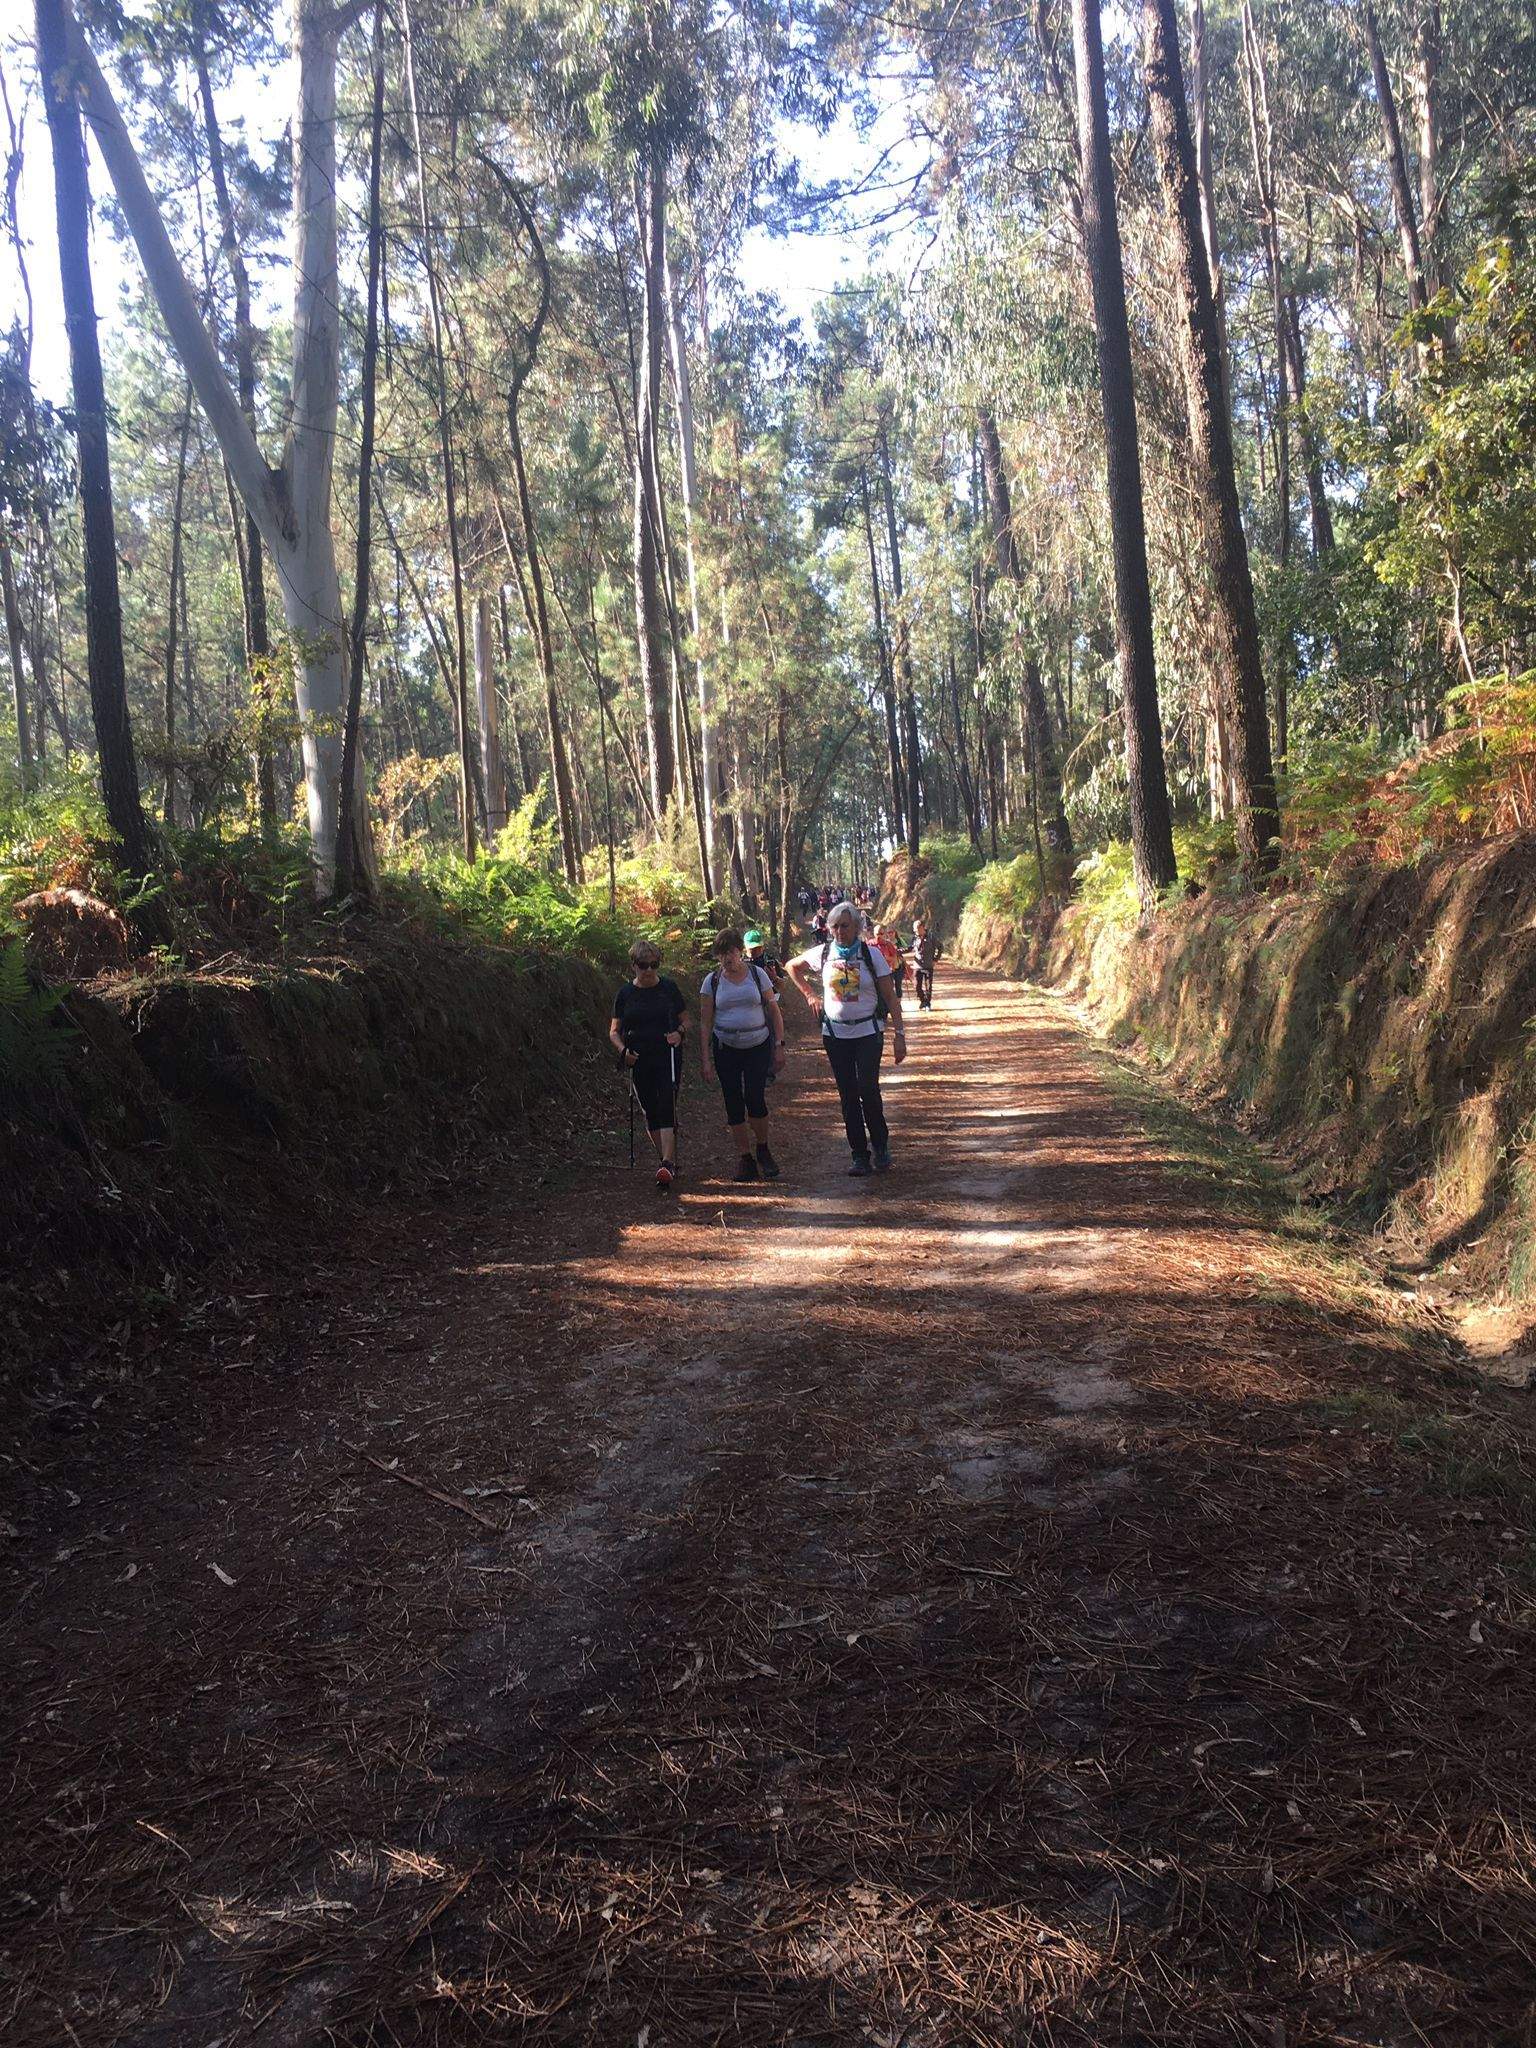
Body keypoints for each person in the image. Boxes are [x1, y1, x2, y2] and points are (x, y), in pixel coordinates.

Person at [787, 899, 906, 1177]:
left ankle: (880, 1145)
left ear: (856, 927)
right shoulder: (824, 952)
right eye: (835, 926)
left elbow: (890, 996)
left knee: (868, 1089)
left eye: (845, 925)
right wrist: (810, 994)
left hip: (868, 1032)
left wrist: (899, 1034)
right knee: (848, 1094)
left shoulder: (870, 954)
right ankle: (859, 1155)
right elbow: (792, 966)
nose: (839, 931)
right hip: (835, 1034)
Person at [699, 929, 785, 1181]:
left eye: (731, 952)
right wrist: (705, 1060)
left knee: (755, 1097)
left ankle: (763, 1149)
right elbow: (705, 1023)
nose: (727, 958)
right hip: (726, 1048)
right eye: (722, 953)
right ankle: (744, 1158)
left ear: (740, 951)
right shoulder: (712, 982)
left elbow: (774, 1010)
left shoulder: (757, 976)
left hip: (757, 1045)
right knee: (733, 1101)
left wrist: (779, 1044)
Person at [610, 940, 687, 1193]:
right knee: (649, 1110)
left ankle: (667, 1162)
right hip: (638, 1058)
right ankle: (666, 1160)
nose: (649, 970)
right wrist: (623, 1052)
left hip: (667, 1056)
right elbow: (613, 1031)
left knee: (667, 1104)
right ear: (633, 966)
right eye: (644, 965)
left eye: (654, 965)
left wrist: (679, 1032)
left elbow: (686, 1021)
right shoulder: (625, 994)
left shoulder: (669, 989)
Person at [744, 927, 786, 992]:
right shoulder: (740, 962)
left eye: (758, 947)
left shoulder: (769, 961)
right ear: (745, 947)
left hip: (769, 998)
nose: (756, 951)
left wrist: (774, 978)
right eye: (752, 949)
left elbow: (782, 987)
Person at [911, 916, 940, 1010]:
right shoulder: (915, 938)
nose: (916, 932)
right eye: (914, 930)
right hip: (917, 966)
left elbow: (940, 947)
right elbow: (910, 948)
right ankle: (923, 1000)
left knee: (928, 986)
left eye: (917, 930)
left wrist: (935, 959)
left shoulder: (931, 937)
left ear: (922, 928)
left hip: (928, 965)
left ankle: (927, 1004)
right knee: (916, 986)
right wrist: (897, 951)